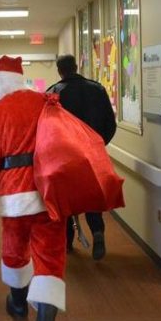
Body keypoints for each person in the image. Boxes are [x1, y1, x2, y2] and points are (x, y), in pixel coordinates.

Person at [0, 55, 64, 321]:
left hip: (13, 197)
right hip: (48, 193)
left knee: (15, 249)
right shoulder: (46, 103)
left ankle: (19, 304)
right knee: (50, 259)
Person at [46, 54, 117, 260]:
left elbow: (48, 130)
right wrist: (98, 144)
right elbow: (110, 124)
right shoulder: (98, 89)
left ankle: (67, 242)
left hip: (65, 157)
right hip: (92, 154)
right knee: (92, 195)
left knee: (66, 199)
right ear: (76, 67)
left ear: (60, 70)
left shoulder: (53, 93)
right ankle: (97, 232)